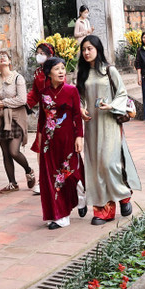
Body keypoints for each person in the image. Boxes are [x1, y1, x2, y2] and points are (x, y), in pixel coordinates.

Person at [76, 36, 140, 225]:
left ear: (98, 49)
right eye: (84, 49)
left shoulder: (109, 71)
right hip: (91, 125)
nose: (86, 52)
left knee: (109, 163)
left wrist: (111, 105)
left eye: (90, 48)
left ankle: (124, 194)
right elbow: (79, 97)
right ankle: (103, 209)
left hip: (110, 122)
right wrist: (81, 108)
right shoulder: (82, 73)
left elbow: (122, 93)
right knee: (94, 166)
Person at [29, 56, 84, 229]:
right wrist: (39, 140)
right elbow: (41, 119)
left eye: (62, 68)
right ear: (49, 73)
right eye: (57, 69)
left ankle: (80, 195)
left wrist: (79, 137)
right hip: (48, 141)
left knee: (71, 174)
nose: (61, 71)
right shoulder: (44, 93)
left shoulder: (71, 90)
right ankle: (60, 215)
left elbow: (77, 116)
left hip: (68, 139)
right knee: (51, 177)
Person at [0, 50, 34, 194]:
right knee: (6, 153)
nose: (2, 58)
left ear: (10, 61)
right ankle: (12, 183)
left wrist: (3, 103)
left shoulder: (18, 78)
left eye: (5, 56)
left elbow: (22, 99)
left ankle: (29, 171)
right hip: (1, 119)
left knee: (14, 151)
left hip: (15, 118)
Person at [28, 43, 56, 194]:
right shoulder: (38, 72)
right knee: (41, 147)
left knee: (55, 146)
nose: (39, 55)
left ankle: (57, 177)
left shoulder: (56, 69)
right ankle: (43, 180)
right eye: (37, 53)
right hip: (43, 115)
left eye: (42, 53)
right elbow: (34, 93)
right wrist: (25, 104)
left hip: (56, 114)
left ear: (49, 55)